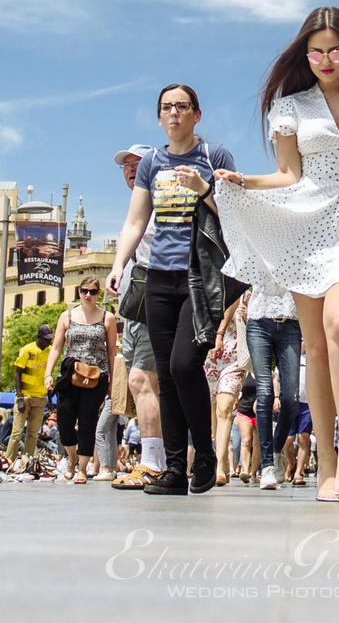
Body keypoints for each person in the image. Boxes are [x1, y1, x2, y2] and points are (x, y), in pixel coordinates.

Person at [215, 6, 339, 502]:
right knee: (316, 346)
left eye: (334, 50)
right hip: (305, 225)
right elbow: (288, 175)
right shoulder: (291, 106)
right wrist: (243, 181)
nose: (325, 60)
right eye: (316, 52)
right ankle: (325, 463)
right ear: (305, 54)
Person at [107, 85, 240, 496]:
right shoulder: (152, 162)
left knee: (185, 365)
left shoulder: (214, 156)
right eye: (167, 107)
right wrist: (119, 265)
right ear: (159, 116)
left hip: (200, 278)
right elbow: (136, 221)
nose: (174, 113)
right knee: (165, 375)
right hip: (157, 277)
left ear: (196, 114)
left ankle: (205, 455)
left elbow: (236, 213)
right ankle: (174, 468)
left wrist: (204, 188)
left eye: (182, 106)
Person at [106, 144, 169, 491]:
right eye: (126, 166)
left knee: (142, 380)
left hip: (151, 302)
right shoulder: (137, 208)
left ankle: (153, 463)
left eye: (137, 164)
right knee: (143, 383)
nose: (131, 170)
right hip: (132, 307)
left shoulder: (163, 205)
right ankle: (162, 459)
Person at [46, 278, 117, 483]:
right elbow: (56, 347)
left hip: (97, 375)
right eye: (84, 291)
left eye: (93, 292)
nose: (88, 295)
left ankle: (83, 469)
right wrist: (48, 373)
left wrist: (112, 381)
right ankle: (72, 458)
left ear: (98, 294)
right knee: (64, 420)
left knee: (88, 422)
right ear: (79, 292)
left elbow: (112, 352)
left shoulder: (107, 317)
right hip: (70, 374)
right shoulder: (67, 316)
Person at [244, 272, 301, 491]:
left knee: (291, 398)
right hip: (259, 322)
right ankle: (267, 465)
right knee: (265, 393)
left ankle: (277, 448)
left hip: (291, 323)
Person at [205, 293, 251, 486]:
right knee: (215, 412)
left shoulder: (244, 293)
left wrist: (247, 316)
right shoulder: (207, 289)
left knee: (224, 408)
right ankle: (222, 460)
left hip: (235, 356)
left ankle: (218, 467)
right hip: (209, 354)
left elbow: (258, 327)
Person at [5, 324, 52, 469]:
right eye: (46, 339)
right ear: (39, 337)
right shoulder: (27, 350)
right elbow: (17, 375)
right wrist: (19, 397)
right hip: (25, 397)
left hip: (40, 397)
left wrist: (50, 399)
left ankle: (27, 461)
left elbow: (49, 376)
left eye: (50, 339)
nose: (48, 341)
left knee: (33, 434)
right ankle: (9, 461)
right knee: (17, 432)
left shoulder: (50, 352)